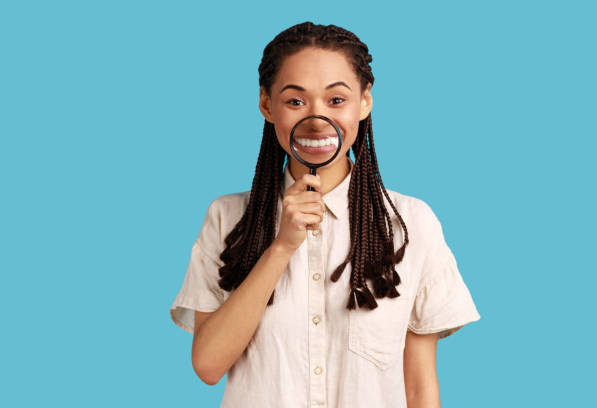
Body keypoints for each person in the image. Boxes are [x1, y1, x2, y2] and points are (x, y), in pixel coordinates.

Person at [170, 21, 481, 408]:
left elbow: (419, 388)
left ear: (365, 101)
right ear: (267, 105)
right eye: (295, 101)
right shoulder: (227, 217)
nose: (317, 119)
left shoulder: (411, 223)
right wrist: (282, 247)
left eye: (336, 100)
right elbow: (208, 365)